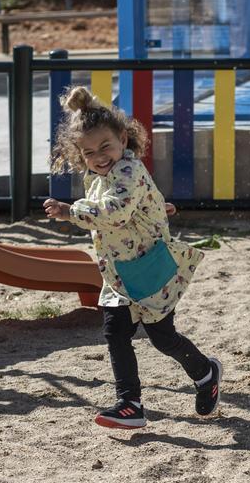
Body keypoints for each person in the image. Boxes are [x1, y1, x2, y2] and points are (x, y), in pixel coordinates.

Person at [43, 86, 221, 430]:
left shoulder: (127, 169)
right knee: (115, 332)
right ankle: (130, 403)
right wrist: (157, 206)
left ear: (123, 139)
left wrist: (71, 211)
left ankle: (205, 373)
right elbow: (134, 204)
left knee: (162, 336)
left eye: (105, 146)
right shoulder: (96, 177)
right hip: (119, 273)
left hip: (147, 268)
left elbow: (117, 211)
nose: (99, 156)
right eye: (89, 151)